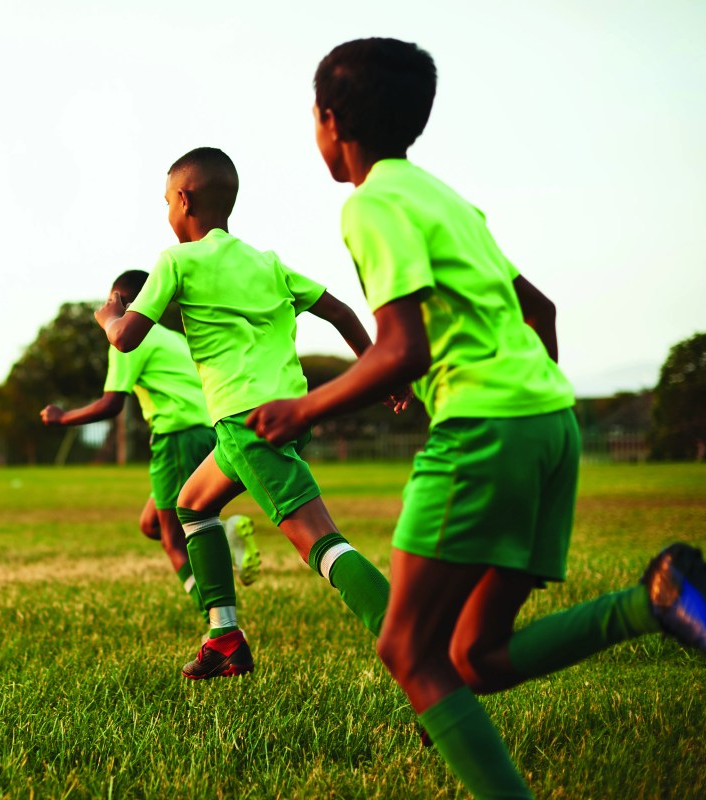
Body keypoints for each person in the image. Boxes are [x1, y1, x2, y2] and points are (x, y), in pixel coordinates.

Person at [246, 36, 706, 799]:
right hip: (550, 425)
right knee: (476, 659)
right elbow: (539, 307)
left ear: (330, 120)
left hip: (486, 429)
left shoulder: (370, 205)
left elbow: (401, 350)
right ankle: (655, 598)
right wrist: (532, 401)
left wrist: (305, 408)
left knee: (405, 649)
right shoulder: (445, 198)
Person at [95, 147, 395, 680]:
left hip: (246, 421)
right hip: (282, 416)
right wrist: (378, 365)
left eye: (167, 200)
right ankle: (225, 637)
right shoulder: (267, 262)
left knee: (321, 541)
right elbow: (340, 311)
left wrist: (110, 315)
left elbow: (126, 339)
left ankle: (416, 643)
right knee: (192, 504)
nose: (167, 211)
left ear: (183, 200)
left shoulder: (175, 261)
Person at [41, 270, 261, 637]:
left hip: (177, 437)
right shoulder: (173, 337)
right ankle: (227, 534)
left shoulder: (129, 339)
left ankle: (219, 628)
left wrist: (63, 418)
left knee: (174, 537)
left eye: (111, 300)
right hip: (208, 432)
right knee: (151, 524)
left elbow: (112, 404)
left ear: (120, 301)